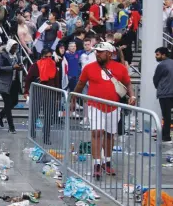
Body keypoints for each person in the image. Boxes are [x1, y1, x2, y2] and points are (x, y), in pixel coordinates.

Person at [71, 41, 135, 180]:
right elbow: (80, 84)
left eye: (100, 52)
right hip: (95, 105)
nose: (97, 54)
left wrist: (132, 95)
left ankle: (107, 161)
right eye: (96, 51)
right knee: (97, 132)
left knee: (110, 135)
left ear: (109, 53)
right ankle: (96, 164)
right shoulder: (89, 68)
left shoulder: (120, 68)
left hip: (113, 107)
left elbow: (128, 83)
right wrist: (73, 99)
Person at [24, 48, 59, 144]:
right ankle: (32, 132)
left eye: (50, 57)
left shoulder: (53, 66)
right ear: (41, 56)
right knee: (34, 114)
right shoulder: (35, 65)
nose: (48, 59)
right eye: (45, 57)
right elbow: (28, 78)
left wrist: (57, 97)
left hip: (50, 93)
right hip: (38, 92)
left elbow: (57, 82)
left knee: (48, 116)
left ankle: (46, 137)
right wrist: (26, 91)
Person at [0, 39, 22, 134]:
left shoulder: (16, 55)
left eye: (16, 48)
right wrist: (11, 68)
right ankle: (11, 127)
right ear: (9, 47)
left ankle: (0, 114)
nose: (15, 50)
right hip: (4, 83)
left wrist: (19, 67)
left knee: (14, 102)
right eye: (13, 48)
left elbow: (17, 65)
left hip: (14, 82)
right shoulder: (0, 56)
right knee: (7, 103)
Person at [153, 47, 173, 145]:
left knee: (166, 115)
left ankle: (166, 136)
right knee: (168, 115)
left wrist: (159, 87)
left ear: (164, 55)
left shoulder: (162, 65)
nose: (156, 57)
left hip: (165, 93)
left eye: (158, 55)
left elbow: (156, 79)